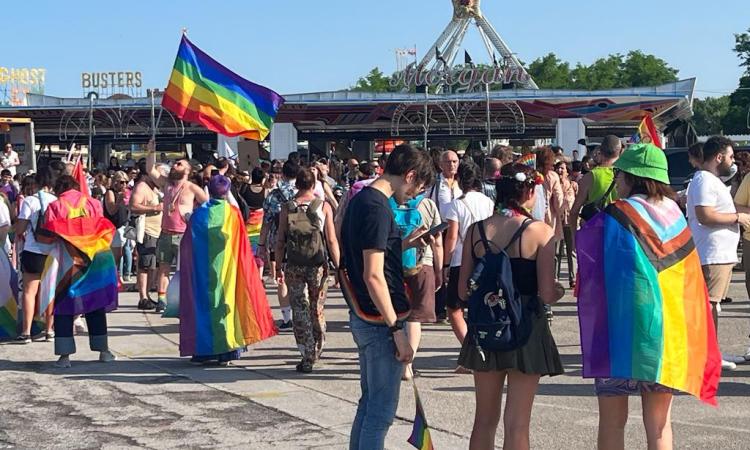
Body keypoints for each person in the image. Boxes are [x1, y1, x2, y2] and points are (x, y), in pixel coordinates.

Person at [576, 144, 722, 450]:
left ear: (629, 177)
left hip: (617, 335)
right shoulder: (677, 219)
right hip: (666, 337)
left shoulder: (616, 214)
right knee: (659, 427)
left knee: (613, 424)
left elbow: (591, 266)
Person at [457, 163, 564, 450]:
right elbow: (546, 292)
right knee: (517, 423)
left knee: (484, 419)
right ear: (529, 190)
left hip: (486, 326)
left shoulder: (476, 231)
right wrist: (560, 290)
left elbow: (462, 291)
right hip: (526, 327)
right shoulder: (541, 232)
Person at [341, 144, 434, 450]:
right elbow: (373, 275)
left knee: (369, 404)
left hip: (364, 315)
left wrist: (405, 242)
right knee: (381, 412)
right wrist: (397, 331)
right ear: (409, 175)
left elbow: (369, 252)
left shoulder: (361, 201)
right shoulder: (378, 208)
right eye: (417, 187)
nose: (415, 195)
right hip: (381, 320)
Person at [179, 175, 277, 365]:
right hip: (228, 268)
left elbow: (188, 243)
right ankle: (227, 350)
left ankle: (204, 351)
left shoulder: (200, 214)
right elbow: (241, 242)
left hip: (203, 269)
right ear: (227, 192)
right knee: (227, 306)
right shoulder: (232, 213)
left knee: (204, 306)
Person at [42, 175, 119, 368]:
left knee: (64, 305)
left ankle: (64, 356)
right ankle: (104, 351)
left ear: (59, 188)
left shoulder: (55, 206)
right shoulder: (93, 203)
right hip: (97, 257)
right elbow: (104, 228)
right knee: (95, 301)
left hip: (69, 260)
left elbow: (47, 237)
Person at [688, 136, 750, 370]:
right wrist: (738, 217)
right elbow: (705, 215)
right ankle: (708, 357)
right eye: (731, 156)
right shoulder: (704, 180)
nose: (733, 161)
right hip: (711, 253)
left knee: (714, 305)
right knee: (709, 305)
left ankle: (712, 352)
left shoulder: (710, 180)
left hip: (720, 254)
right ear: (719, 157)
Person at [275, 168, 340, 373]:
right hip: (317, 264)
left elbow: (280, 240)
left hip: (294, 264)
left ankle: (306, 352)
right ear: (314, 185)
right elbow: (330, 239)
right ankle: (318, 347)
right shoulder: (323, 206)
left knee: (299, 307)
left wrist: (278, 266)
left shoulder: (287, 207)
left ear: (297, 185)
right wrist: (338, 266)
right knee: (316, 307)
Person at [146, 139, 208, 313]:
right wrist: (151, 152)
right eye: (174, 164)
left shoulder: (192, 188)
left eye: (179, 164)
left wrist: (196, 219)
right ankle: (162, 299)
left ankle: (187, 299)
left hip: (184, 234)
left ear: (187, 170)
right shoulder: (166, 184)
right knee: (163, 268)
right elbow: (150, 170)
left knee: (186, 269)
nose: (174, 166)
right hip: (165, 233)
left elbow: (209, 206)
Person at [443, 162, 494, 346]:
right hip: (484, 258)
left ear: (459, 180)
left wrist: (445, 264)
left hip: (459, 260)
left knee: (454, 308)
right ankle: (481, 345)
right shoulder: (488, 202)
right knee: (479, 305)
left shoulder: (456, 205)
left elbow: (452, 236)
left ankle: (468, 347)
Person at [403, 194, 443, 380]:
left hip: (393, 262)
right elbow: (438, 243)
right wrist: (439, 270)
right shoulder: (427, 204)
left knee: (395, 314)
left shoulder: (391, 200)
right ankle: (407, 366)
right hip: (421, 264)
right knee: (414, 317)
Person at [15, 168, 57, 343]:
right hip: (53, 252)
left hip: (33, 250)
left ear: (37, 183)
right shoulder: (56, 200)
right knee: (50, 292)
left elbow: (20, 229)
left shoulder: (29, 201)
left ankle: (26, 332)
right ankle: (49, 330)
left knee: (29, 292)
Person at [259, 160, 298, 329]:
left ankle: (286, 318)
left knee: (281, 278)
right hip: (301, 242)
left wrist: (261, 244)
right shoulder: (304, 193)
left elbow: (266, 223)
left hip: (278, 242)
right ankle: (301, 314)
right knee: (300, 278)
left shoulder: (273, 196)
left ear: (282, 174)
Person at [428, 150, 462, 322]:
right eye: (448, 162)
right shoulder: (434, 184)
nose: (452, 165)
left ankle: (457, 305)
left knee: (457, 267)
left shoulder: (462, 183)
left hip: (460, 230)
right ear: (440, 164)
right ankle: (440, 307)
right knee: (440, 267)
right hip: (441, 229)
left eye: (455, 161)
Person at [569, 135, 622, 234]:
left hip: (595, 234)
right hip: (619, 234)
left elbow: (573, 212)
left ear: (601, 151)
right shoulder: (627, 176)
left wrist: (574, 240)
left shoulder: (590, 176)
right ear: (620, 151)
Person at [129, 162, 163, 310]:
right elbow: (133, 206)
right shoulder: (141, 187)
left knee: (153, 265)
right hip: (148, 231)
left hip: (157, 231)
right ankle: (143, 297)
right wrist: (154, 207)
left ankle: (147, 295)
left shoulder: (154, 187)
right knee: (145, 264)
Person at [104, 171, 130, 282]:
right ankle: (112, 276)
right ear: (115, 182)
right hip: (113, 227)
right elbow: (111, 210)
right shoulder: (111, 193)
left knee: (124, 252)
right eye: (121, 182)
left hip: (124, 225)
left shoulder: (127, 193)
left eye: (126, 182)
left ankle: (119, 275)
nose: (124, 185)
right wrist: (119, 201)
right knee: (115, 255)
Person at [555, 161, 577, 287]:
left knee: (571, 250)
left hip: (569, 221)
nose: (560, 170)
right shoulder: (554, 184)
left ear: (567, 171)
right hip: (558, 221)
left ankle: (572, 278)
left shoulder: (572, 185)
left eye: (562, 168)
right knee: (556, 251)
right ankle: (555, 277)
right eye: (558, 168)